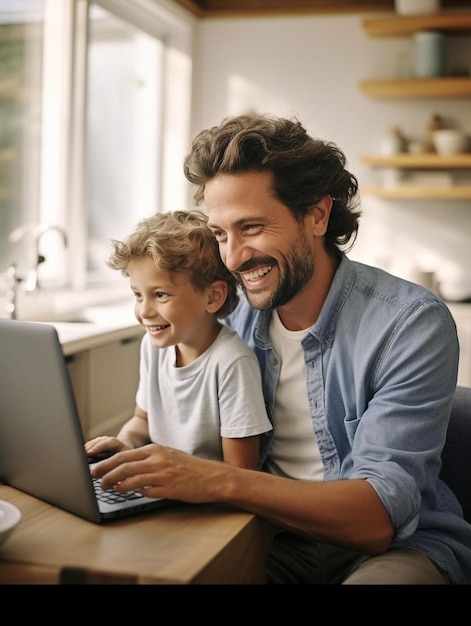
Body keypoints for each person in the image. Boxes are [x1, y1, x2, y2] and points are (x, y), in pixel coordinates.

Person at [92, 113, 471, 584]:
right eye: (220, 234)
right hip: (266, 532)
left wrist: (215, 480)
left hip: (395, 547)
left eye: (250, 228)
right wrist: (130, 447)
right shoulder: (225, 312)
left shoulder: (410, 323)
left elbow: (377, 520)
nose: (232, 257)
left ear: (317, 214)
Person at [85, 209, 272, 469]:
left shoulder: (232, 363)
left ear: (212, 297)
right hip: (164, 488)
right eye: (138, 295)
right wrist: (126, 442)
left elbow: (242, 473)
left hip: (212, 504)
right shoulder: (153, 346)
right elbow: (143, 419)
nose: (144, 311)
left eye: (160, 295)